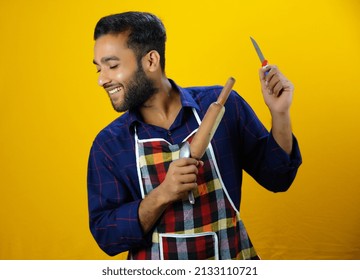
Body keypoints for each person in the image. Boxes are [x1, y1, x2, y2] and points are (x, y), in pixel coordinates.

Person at [87, 11, 302, 260]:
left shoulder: (224, 105)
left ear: (151, 61)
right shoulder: (109, 144)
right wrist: (162, 194)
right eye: (99, 69)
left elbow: (278, 178)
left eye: (112, 66)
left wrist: (280, 114)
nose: (102, 80)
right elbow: (107, 236)